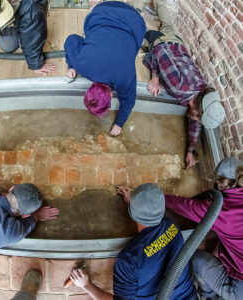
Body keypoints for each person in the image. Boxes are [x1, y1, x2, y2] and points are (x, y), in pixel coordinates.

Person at [70, 183, 197, 299]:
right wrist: (138, 203)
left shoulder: (129, 260)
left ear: (132, 214)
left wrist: (86, 285)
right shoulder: (172, 226)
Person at [139, 0, 225, 168]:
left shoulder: (202, 90)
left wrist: (190, 150)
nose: (197, 121)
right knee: (135, 28)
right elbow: (159, 51)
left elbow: (195, 123)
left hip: (178, 44)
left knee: (167, 23)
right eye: (198, 117)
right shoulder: (178, 86)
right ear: (195, 109)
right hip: (159, 43)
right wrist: (155, 79)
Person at [64, 1, 146, 136]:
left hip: (133, 18)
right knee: (89, 34)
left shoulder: (124, 80)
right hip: (103, 11)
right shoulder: (82, 65)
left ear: (110, 95)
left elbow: (129, 101)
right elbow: (71, 40)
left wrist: (120, 124)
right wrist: (72, 64)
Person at [165, 157, 243, 300]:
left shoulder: (222, 212)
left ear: (226, 184)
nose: (216, 183)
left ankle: (208, 296)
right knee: (217, 249)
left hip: (240, 289)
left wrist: (152, 199)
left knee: (195, 260)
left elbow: (185, 206)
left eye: (219, 180)